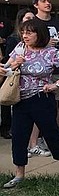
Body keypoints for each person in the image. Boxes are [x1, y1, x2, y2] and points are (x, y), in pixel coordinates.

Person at [1, 18, 59, 188]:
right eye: (23, 32)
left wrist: (56, 84)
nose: (25, 35)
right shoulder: (20, 49)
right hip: (21, 100)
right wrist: (13, 65)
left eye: (29, 32)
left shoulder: (51, 52)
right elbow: (5, 70)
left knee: (52, 133)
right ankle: (19, 174)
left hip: (42, 99)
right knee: (19, 137)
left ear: (39, 34)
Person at [1, 8, 34, 139]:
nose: (31, 22)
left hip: (35, 91)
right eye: (28, 19)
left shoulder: (45, 48)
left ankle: (34, 142)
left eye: (33, 19)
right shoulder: (16, 42)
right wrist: (14, 65)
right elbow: (7, 65)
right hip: (15, 83)